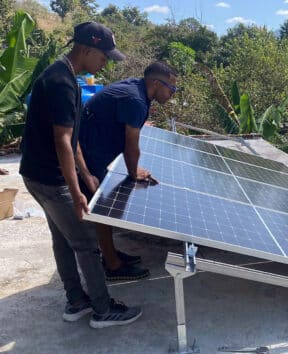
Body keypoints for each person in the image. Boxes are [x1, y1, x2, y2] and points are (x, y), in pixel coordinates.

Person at [19, 21, 142, 328]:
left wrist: (86, 175)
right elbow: (61, 141)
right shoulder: (61, 83)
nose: (105, 63)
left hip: (35, 175)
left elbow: (70, 138)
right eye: (103, 57)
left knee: (62, 240)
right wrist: (76, 194)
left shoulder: (63, 75)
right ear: (86, 49)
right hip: (50, 178)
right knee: (87, 242)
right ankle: (102, 310)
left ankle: (76, 302)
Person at [79, 61, 178, 280]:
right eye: (171, 88)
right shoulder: (135, 99)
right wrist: (134, 172)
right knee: (103, 209)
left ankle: (110, 252)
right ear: (155, 83)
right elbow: (131, 144)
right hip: (88, 156)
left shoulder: (136, 89)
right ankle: (112, 265)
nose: (172, 93)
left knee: (107, 206)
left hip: (95, 150)